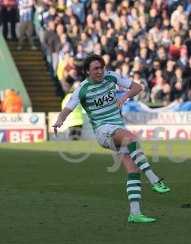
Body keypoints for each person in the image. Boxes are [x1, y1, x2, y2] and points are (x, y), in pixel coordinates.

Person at [53, 54, 171, 224]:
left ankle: (135, 213)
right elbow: (68, 108)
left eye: (101, 67)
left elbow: (137, 87)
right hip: (103, 131)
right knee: (131, 138)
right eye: (95, 68)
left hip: (117, 129)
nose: (100, 71)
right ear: (87, 71)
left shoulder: (111, 77)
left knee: (133, 170)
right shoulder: (82, 89)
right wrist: (59, 120)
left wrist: (123, 97)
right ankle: (154, 179)